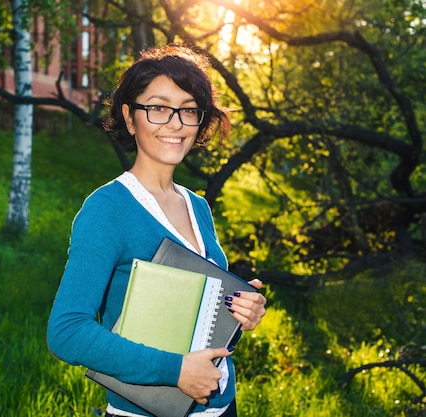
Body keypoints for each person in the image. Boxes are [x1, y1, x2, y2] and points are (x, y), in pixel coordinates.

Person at [47, 44, 266, 417]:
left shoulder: (198, 207)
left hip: (222, 407)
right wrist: (176, 370)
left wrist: (243, 312)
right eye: (159, 108)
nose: (176, 124)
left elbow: (193, 317)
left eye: (188, 110)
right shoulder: (107, 209)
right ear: (130, 118)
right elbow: (66, 331)